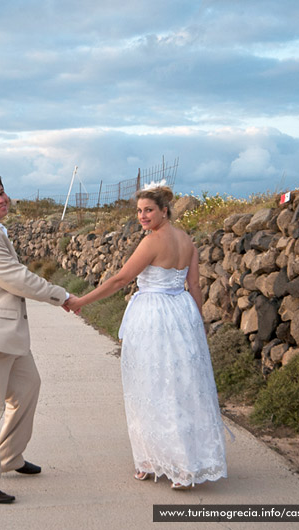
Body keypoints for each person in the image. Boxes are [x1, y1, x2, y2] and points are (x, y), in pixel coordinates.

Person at [65, 181, 228, 489]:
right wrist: (197, 323)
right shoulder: (187, 240)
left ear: (164, 211)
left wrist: (81, 302)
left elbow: (121, 279)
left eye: (148, 210)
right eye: (139, 211)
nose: (142, 216)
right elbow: (194, 288)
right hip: (182, 313)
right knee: (181, 387)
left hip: (154, 316)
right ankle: (183, 464)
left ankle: (151, 461)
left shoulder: (152, 242)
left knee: (151, 386)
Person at [0, 170, 77, 504]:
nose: (1, 200)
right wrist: (61, 296)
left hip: (4, 331)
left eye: (2, 193)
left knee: (27, 387)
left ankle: (9, 456)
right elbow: (17, 279)